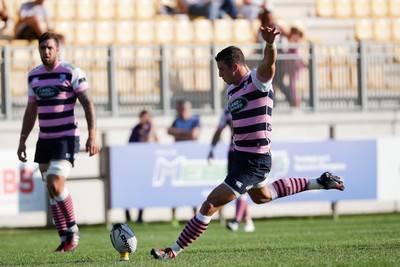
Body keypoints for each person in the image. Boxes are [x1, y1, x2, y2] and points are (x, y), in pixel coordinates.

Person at [150, 25, 345, 260]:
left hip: (253, 161)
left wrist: (270, 44)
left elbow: (269, 64)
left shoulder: (256, 81)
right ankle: (320, 182)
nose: (220, 75)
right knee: (262, 197)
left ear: (234, 66)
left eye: (222, 69)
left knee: (209, 205)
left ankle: (172, 251)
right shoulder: (232, 91)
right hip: (243, 158)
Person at [17, 32, 100, 252]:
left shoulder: (71, 72)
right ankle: (64, 238)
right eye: (42, 47)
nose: (46, 51)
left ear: (57, 49)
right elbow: (31, 109)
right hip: (44, 139)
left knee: (55, 182)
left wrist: (92, 134)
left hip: (66, 138)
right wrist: (23, 139)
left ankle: (72, 230)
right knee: (51, 188)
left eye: (50, 48)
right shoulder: (33, 76)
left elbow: (88, 103)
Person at [208, 105, 254, 232]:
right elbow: (219, 130)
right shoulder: (228, 109)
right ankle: (246, 219)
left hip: (250, 151)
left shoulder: (251, 103)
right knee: (238, 186)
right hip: (233, 152)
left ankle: (237, 220)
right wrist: (211, 149)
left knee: (243, 186)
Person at [167, 99, 201, 226]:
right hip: (178, 161)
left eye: (182, 109)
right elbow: (169, 131)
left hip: (191, 160)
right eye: (178, 109)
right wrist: (185, 135)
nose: (180, 112)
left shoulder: (195, 120)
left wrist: (179, 134)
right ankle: (173, 217)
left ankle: (195, 216)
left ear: (188, 109)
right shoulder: (176, 121)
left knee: (192, 188)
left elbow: (194, 135)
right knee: (175, 188)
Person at [126, 110, 158, 224]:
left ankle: (140, 216)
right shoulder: (137, 129)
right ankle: (128, 215)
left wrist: (152, 129)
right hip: (135, 163)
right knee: (130, 189)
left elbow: (156, 142)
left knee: (142, 190)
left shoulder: (150, 129)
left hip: (145, 164)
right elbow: (144, 141)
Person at [283, 26, 307, 107]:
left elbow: (297, 55)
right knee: (292, 85)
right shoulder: (294, 42)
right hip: (292, 66)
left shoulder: (294, 41)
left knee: (293, 86)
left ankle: (296, 102)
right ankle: (295, 101)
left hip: (294, 66)